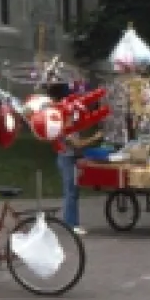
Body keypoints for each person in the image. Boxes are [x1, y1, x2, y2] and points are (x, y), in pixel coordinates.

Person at [49, 82, 101, 237]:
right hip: (66, 158)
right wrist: (94, 138)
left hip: (71, 157)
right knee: (70, 192)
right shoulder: (64, 121)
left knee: (74, 191)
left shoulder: (70, 118)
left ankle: (73, 222)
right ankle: (71, 224)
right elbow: (75, 143)